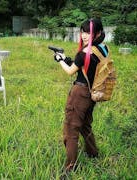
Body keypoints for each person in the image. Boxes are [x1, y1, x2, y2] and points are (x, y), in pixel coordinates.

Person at [53, 18, 109, 172]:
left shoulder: (84, 52)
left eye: (88, 32)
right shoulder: (103, 48)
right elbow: (86, 67)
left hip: (80, 93)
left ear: (97, 33)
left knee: (71, 129)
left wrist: (59, 60)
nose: (84, 35)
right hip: (93, 93)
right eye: (83, 32)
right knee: (85, 124)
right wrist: (68, 59)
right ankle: (93, 152)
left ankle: (70, 166)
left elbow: (71, 71)